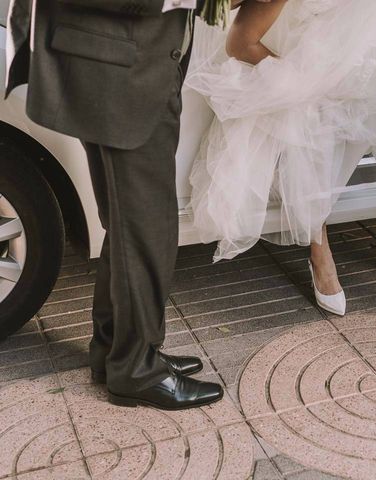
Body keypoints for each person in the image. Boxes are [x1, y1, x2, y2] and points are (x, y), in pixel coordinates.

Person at [5, 0, 224, 409]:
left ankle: (117, 353)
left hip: (133, 66)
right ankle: (137, 371)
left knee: (129, 226)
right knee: (148, 230)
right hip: (120, 74)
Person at [185, 0, 376, 317]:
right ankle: (319, 246)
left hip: (364, 68)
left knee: (346, 125)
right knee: (314, 127)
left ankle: (317, 219)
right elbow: (240, 44)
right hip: (304, 73)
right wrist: (302, 88)